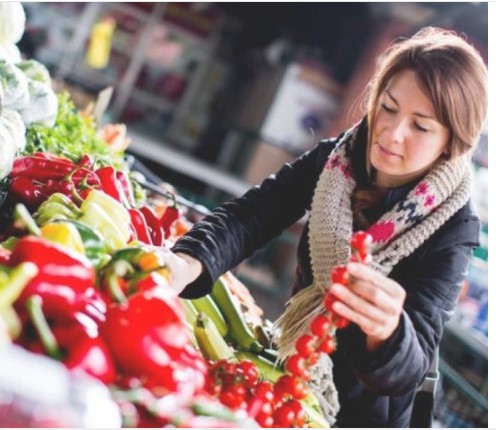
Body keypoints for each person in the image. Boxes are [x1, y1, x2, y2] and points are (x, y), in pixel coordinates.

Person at [156, 27, 487, 427]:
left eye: (420, 126)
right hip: (292, 379)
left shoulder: (454, 225)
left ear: (451, 143)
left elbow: (409, 368)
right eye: (388, 106)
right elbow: (253, 216)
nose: (391, 133)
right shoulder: (336, 162)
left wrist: (389, 331)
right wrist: (185, 263)